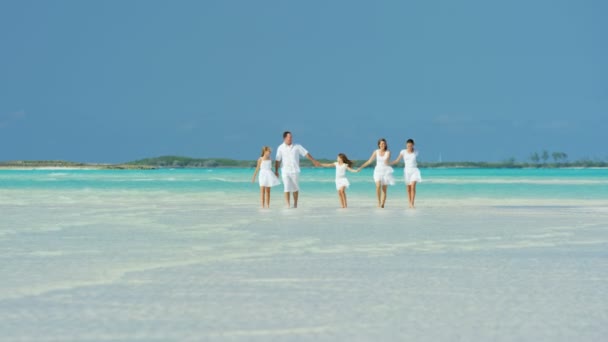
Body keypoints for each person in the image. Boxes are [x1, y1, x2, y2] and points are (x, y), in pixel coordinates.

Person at [275, 131, 320, 208]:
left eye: (291, 137)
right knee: (286, 187)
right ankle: (288, 205)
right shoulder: (280, 148)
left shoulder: (297, 146)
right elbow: (277, 160)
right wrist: (276, 171)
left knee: (295, 188)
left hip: (295, 170)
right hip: (285, 171)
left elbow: (306, 154)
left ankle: (295, 204)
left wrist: (314, 161)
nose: (291, 139)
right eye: (289, 137)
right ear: (285, 138)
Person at [357, 138, 395, 208]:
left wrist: (388, 162)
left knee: (384, 189)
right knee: (378, 186)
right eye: (381, 144)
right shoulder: (376, 152)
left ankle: (382, 204)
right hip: (377, 171)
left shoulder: (388, 152)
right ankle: (378, 202)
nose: (383, 145)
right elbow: (369, 161)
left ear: (386, 144)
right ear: (379, 145)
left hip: (385, 171)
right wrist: (361, 167)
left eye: (384, 143)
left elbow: (387, 160)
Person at [391, 138, 422, 208]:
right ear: (406, 145)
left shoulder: (416, 152)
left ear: (413, 145)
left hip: (414, 170)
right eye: (408, 146)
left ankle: (412, 203)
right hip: (407, 171)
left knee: (413, 186)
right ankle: (409, 203)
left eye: (411, 146)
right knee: (408, 188)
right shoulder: (403, 152)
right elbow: (397, 160)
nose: (409, 147)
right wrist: (389, 163)